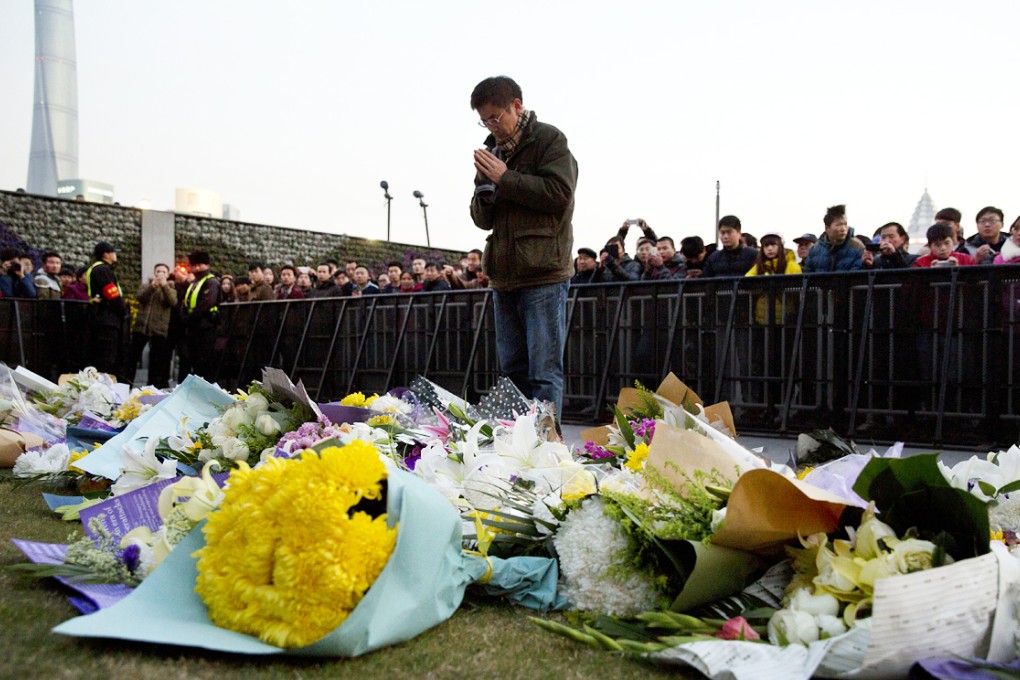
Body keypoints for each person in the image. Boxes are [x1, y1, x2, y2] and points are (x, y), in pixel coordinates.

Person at [470, 75, 577, 423]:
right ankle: (516, 447)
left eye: (495, 117)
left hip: (544, 272)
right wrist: (485, 192)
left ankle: (547, 447)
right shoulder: (492, 152)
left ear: (516, 106)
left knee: (543, 372)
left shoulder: (549, 139)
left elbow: (559, 194)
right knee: (512, 369)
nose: (491, 125)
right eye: (484, 120)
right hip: (504, 275)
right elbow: (480, 219)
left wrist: (506, 178)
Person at [126, 263, 177, 388]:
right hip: (141, 328)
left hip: (158, 330)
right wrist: (152, 287)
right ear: (154, 273)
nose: (160, 274)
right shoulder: (146, 286)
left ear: (168, 274)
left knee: (156, 362)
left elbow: (172, 301)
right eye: (158, 271)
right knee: (132, 358)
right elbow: (139, 297)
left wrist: (164, 286)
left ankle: (152, 388)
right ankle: (127, 385)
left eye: (163, 272)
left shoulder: (171, 289)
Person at [84, 242, 127, 376]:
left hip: (101, 317)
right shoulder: (102, 270)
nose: (115, 255)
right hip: (107, 319)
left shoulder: (96, 269)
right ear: (105, 254)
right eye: (113, 252)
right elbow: (112, 294)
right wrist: (123, 309)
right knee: (106, 357)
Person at [181, 251, 221, 382]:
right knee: (195, 364)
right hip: (193, 329)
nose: (197, 268)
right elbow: (185, 302)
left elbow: (206, 304)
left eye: (200, 264)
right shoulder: (195, 283)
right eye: (194, 265)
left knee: (205, 364)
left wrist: (189, 318)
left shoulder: (211, 282)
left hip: (205, 328)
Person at [802, 205, 863, 272]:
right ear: (827, 228)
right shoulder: (815, 249)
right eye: (839, 225)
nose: (843, 229)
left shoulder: (857, 247)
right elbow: (808, 276)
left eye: (845, 224)